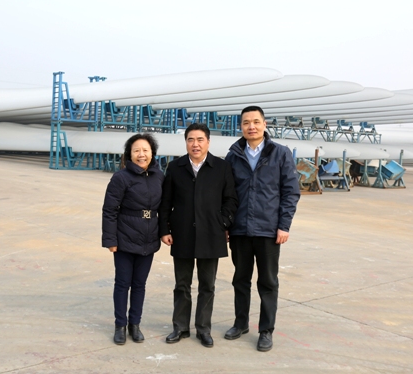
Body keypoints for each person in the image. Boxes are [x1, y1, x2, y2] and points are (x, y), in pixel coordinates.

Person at [224, 105, 300, 352]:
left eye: (256, 122)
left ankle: (266, 330)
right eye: (246, 122)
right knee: (240, 280)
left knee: (267, 282)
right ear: (241, 126)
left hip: (268, 230)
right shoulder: (233, 155)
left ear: (265, 125)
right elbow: (226, 194)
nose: (251, 127)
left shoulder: (280, 153)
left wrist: (283, 225)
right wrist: (227, 223)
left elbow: (290, 192)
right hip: (240, 230)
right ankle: (240, 324)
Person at [159, 123, 238, 348]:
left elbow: (231, 199)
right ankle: (180, 327)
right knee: (182, 284)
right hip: (182, 233)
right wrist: (164, 229)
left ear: (208, 142)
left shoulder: (221, 167)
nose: (195, 144)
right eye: (191, 140)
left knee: (207, 285)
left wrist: (223, 222)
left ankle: (203, 328)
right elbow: (166, 201)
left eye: (200, 139)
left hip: (211, 233)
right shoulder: (175, 167)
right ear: (186, 142)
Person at [102, 133, 164, 345]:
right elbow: (109, 210)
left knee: (140, 284)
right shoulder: (121, 178)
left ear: (152, 153)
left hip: (149, 238)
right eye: (136, 150)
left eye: (145, 150)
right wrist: (110, 240)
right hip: (125, 238)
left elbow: (165, 207)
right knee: (122, 283)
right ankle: (120, 325)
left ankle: (134, 324)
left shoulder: (159, 176)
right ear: (129, 154)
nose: (141, 154)